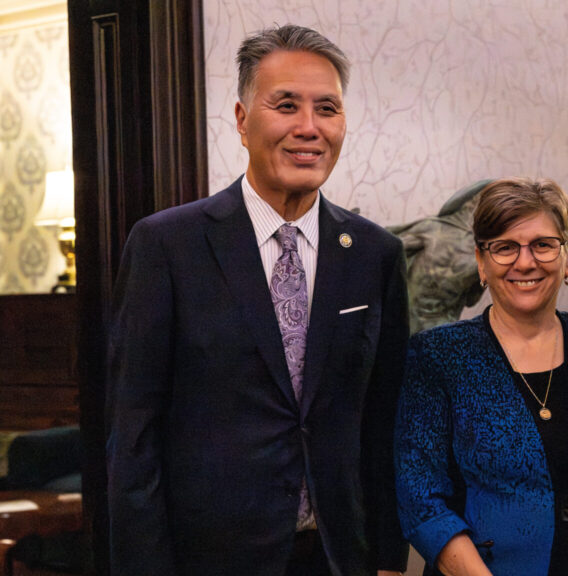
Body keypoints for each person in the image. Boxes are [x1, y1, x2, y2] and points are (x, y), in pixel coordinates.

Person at [106, 25, 408, 576]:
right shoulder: (167, 245)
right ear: (243, 121)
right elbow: (134, 436)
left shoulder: (374, 253)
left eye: (327, 109)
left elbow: (383, 422)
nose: (309, 127)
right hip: (209, 559)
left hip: (339, 556)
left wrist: (388, 558)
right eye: (286, 105)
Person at [394, 177, 568, 576]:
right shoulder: (438, 354)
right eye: (504, 247)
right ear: (481, 262)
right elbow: (420, 498)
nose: (525, 262)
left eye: (543, 244)